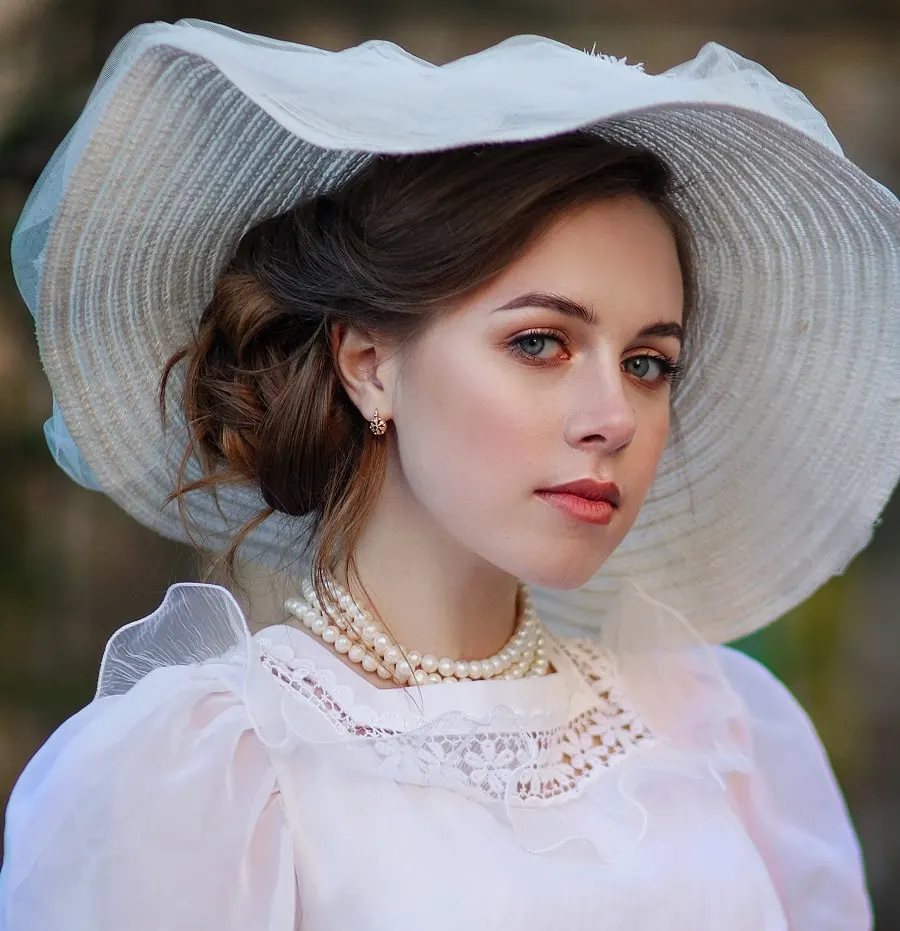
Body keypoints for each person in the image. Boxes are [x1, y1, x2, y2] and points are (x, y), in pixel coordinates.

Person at [1, 18, 898, 931]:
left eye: (648, 362)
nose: (615, 418)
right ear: (368, 364)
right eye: (540, 342)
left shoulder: (721, 731)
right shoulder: (210, 769)